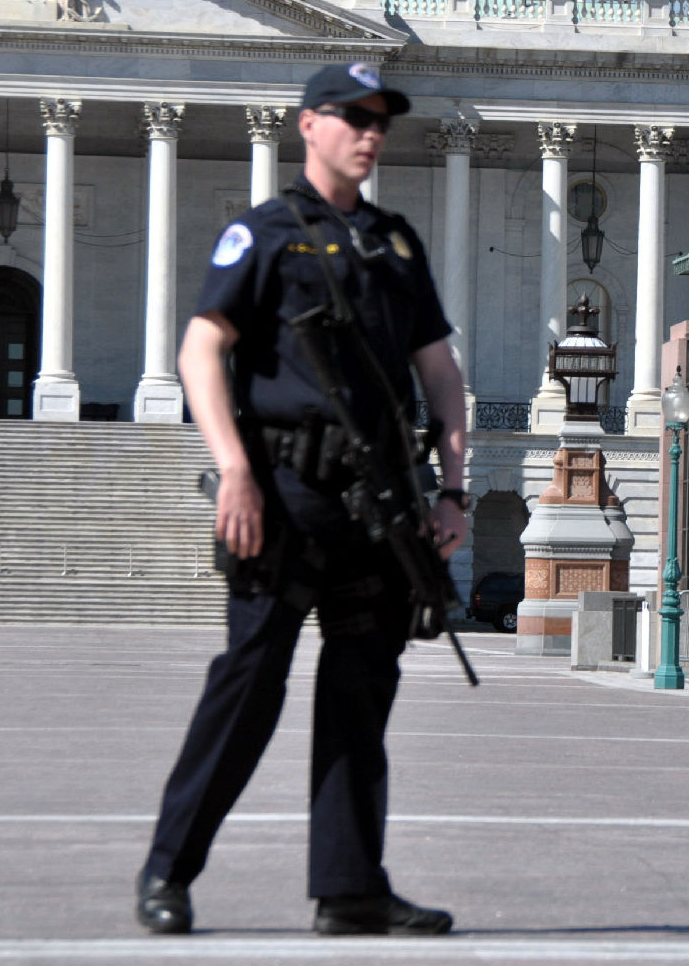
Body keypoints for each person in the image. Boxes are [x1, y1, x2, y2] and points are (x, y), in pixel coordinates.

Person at [135, 62, 469, 938]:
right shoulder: (264, 235)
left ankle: (351, 884)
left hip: (380, 508)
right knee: (247, 686)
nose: (370, 133)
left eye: (380, 121)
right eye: (352, 117)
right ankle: (169, 868)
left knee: (362, 699)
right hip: (281, 496)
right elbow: (201, 349)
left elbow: (440, 372)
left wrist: (455, 489)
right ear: (307, 125)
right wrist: (234, 468)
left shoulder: (395, 246)